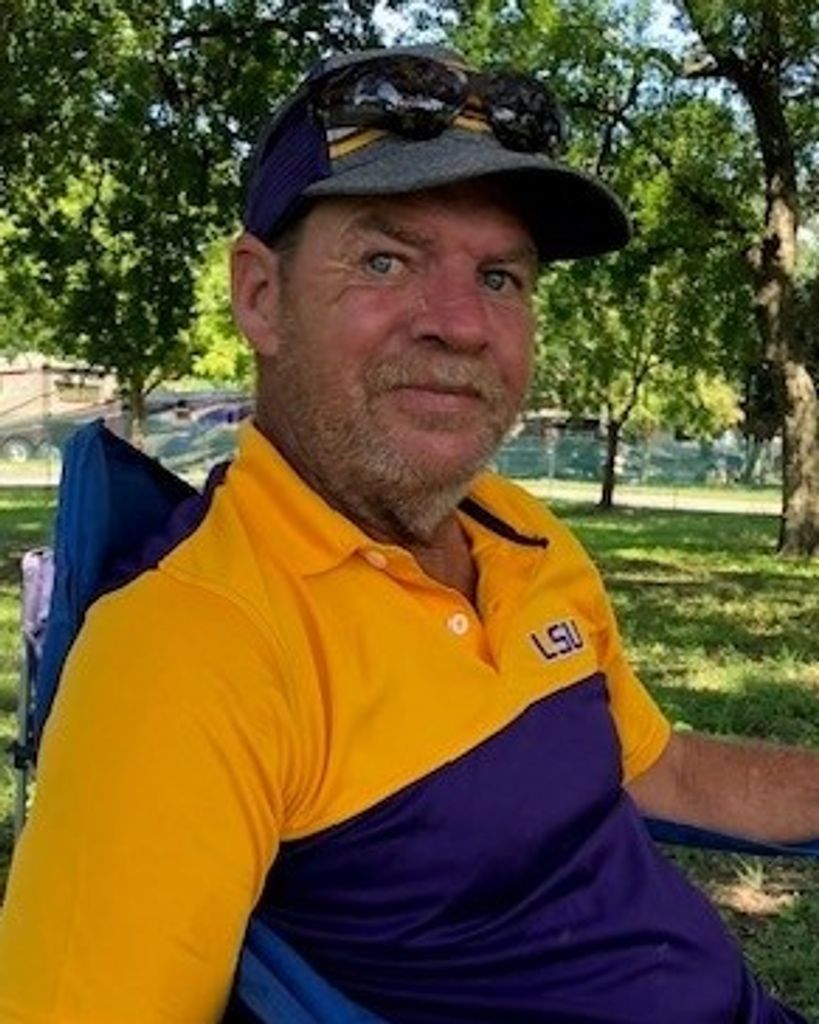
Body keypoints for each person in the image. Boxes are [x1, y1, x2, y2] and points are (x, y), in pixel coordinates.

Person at [0, 43, 817, 1024]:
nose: (461, 324)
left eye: (501, 277)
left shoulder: (522, 535)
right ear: (259, 296)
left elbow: (660, 769)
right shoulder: (193, 645)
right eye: (385, 260)